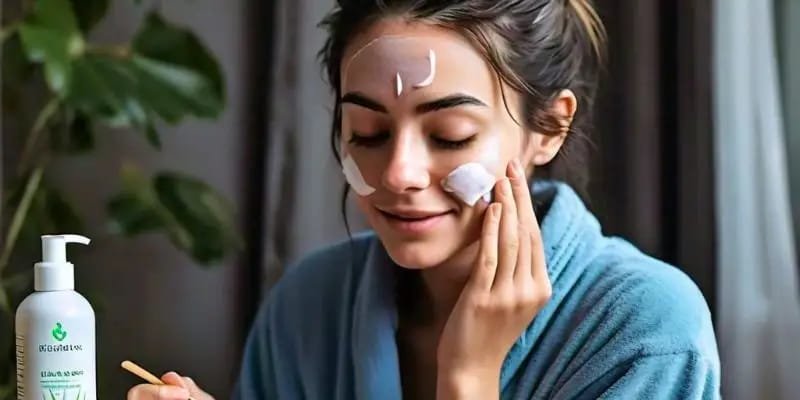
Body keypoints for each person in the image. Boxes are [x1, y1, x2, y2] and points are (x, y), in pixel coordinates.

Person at [128, 0, 721, 399]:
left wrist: (468, 375)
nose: (401, 173)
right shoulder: (306, 309)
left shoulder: (644, 329)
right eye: (368, 133)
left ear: (548, 129)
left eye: (450, 137)